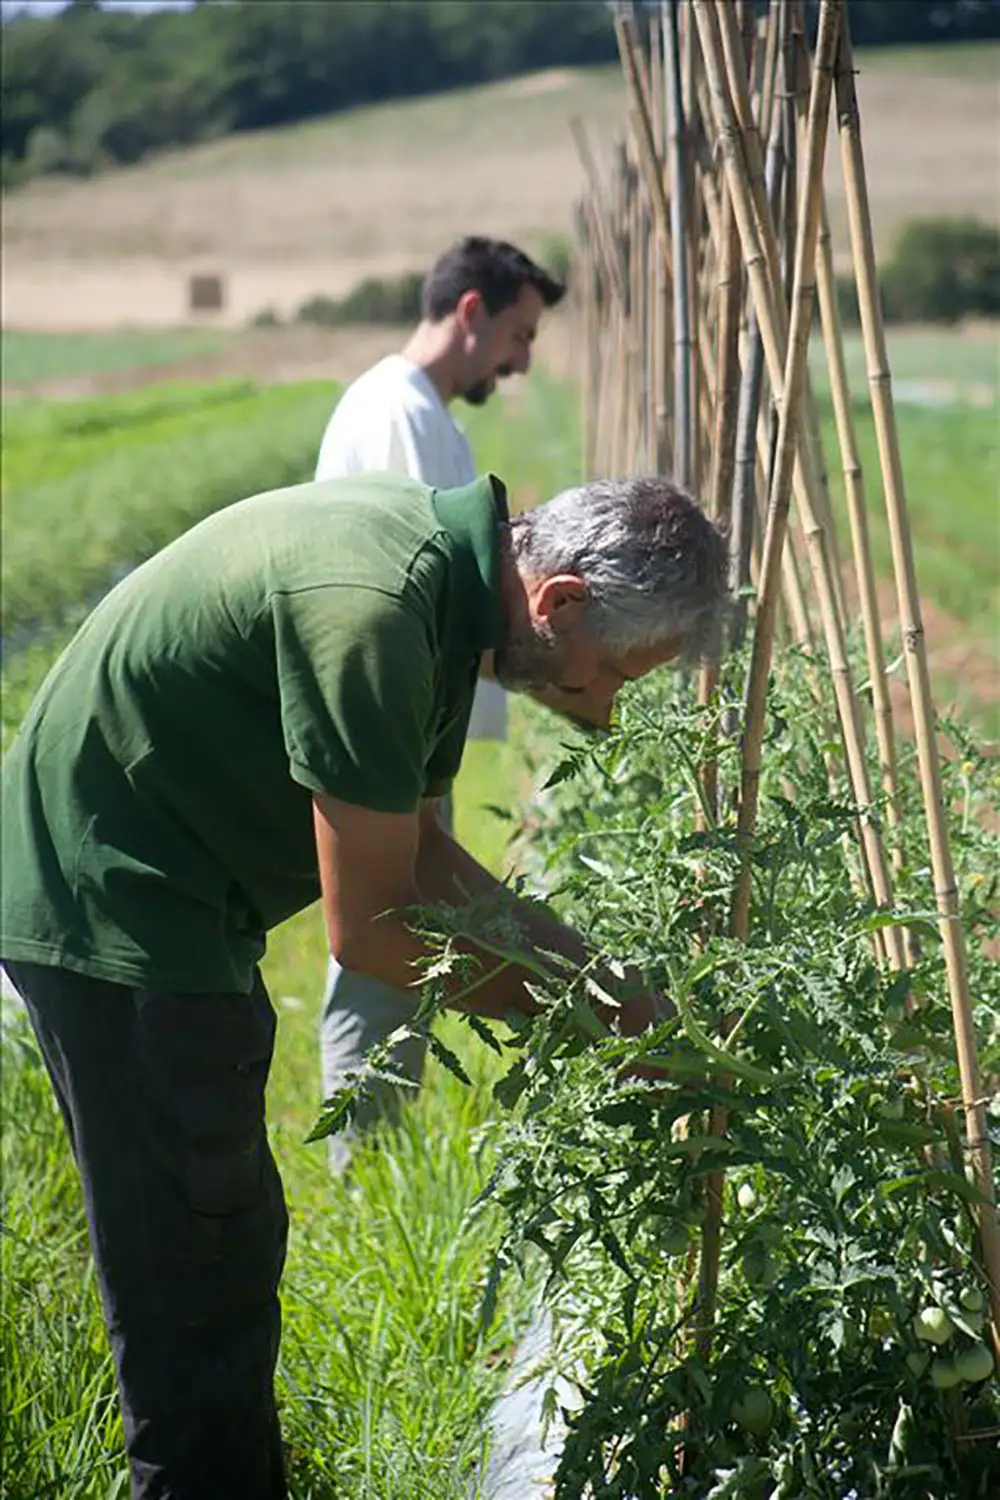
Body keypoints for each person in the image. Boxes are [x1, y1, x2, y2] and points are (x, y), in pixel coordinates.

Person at [1, 469, 727, 1500]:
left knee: (231, 1240)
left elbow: (425, 858)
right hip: (109, 903)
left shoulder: (438, 596)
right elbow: (376, 927)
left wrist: (613, 993)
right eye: (610, 673)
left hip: (169, 895)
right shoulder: (380, 612)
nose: (603, 714)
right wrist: (597, 1023)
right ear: (557, 602)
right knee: (189, 1282)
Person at [313, 236, 566, 1154]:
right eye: (519, 333)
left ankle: (375, 1146)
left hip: (405, 719)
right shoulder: (394, 413)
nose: (523, 361)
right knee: (383, 936)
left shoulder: (421, 411)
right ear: (471, 311)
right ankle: (365, 1155)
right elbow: (403, 587)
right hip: (382, 718)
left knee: (405, 924)